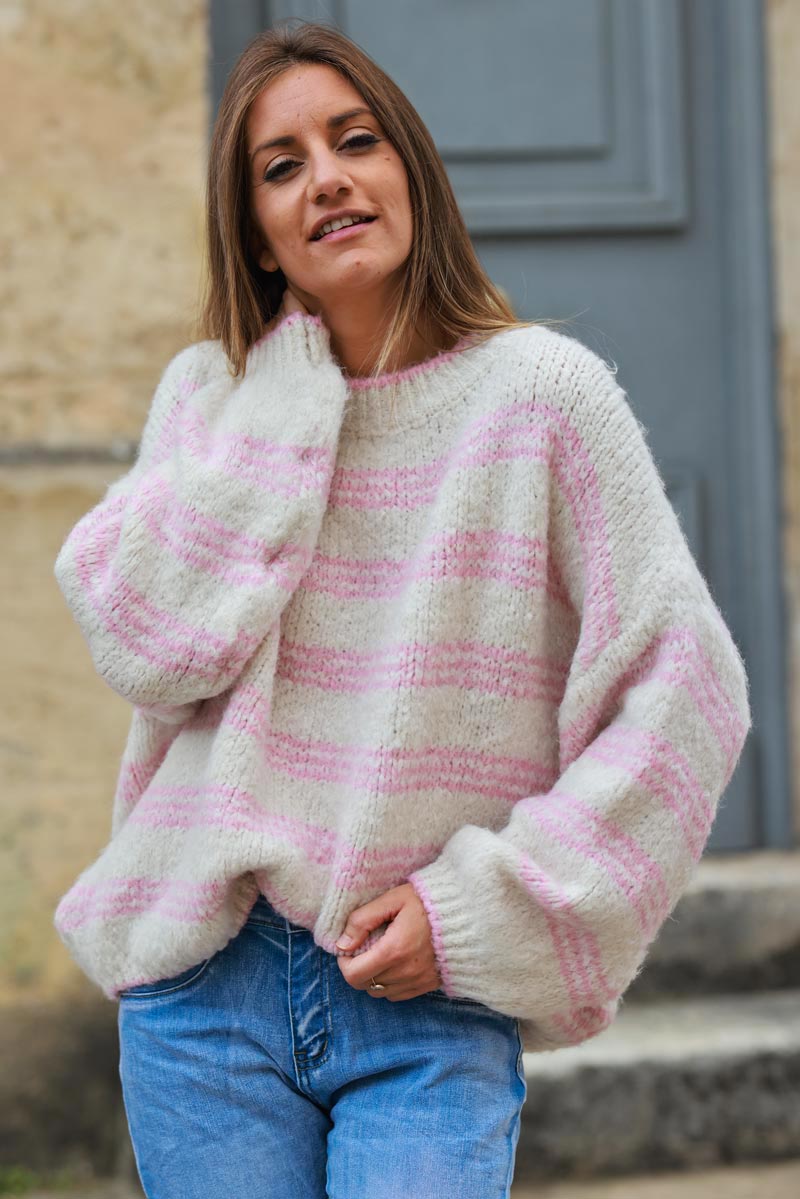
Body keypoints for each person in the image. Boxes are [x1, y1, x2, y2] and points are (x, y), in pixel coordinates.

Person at [50, 19, 752, 1199]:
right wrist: (284, 401)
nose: (325, 176)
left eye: (353, 140)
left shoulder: (540, 398)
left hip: (420, 1002)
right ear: (258, 234)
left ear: (408, 170)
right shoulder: (213, 397)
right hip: (202, 995)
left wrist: (484, 906)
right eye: (280, 167)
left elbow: (687, 692)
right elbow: (143, 638)